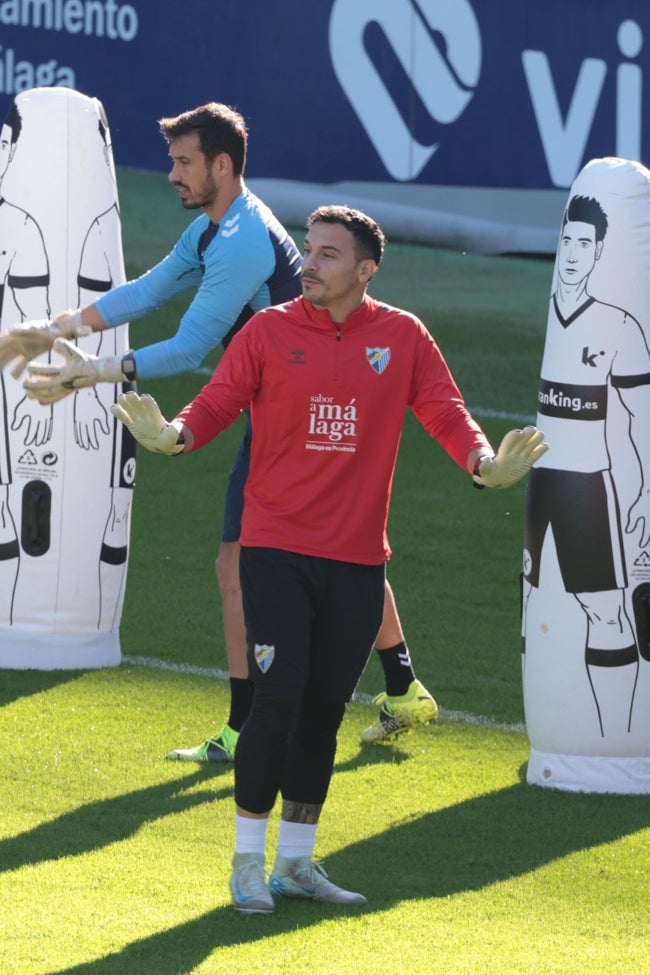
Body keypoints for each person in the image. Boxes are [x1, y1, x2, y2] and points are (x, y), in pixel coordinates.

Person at [99, 205, 546, 913]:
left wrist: (485, 464)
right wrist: (174, 435)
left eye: (328, 255)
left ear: (366, 270)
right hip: (275, 551)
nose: (309, 263)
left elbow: (444, 409)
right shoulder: (268, 331)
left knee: (324, 712)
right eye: (309, 250)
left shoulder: (402, 337)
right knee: (274, 704)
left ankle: (296, 864)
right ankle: (247, 863)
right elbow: (215, 403)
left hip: (359, 562)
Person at [0, 101, 437, 760]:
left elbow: (190, 345)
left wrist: (88, 372)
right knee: (337, 551)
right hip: (286, 409)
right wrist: (58, 327)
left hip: (291, 421)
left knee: (241, 567)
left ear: (222, 165)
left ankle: (244, 727)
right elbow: (150, 290)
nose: (172, 173)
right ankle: (402, 686)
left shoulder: (239, 242)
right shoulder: (216, 227)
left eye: (183, 162)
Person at [523, 193, 650, 737]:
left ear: (600, 252)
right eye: (567, 241)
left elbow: (641, 417)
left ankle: (615, 742)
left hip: (589, 490)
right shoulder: (549, 318)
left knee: (606, 611)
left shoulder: (620, 324)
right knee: (533, 607)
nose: (574, 253)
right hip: (541, 483)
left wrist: (641, 494)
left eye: (585, 244)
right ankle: (561, 733)